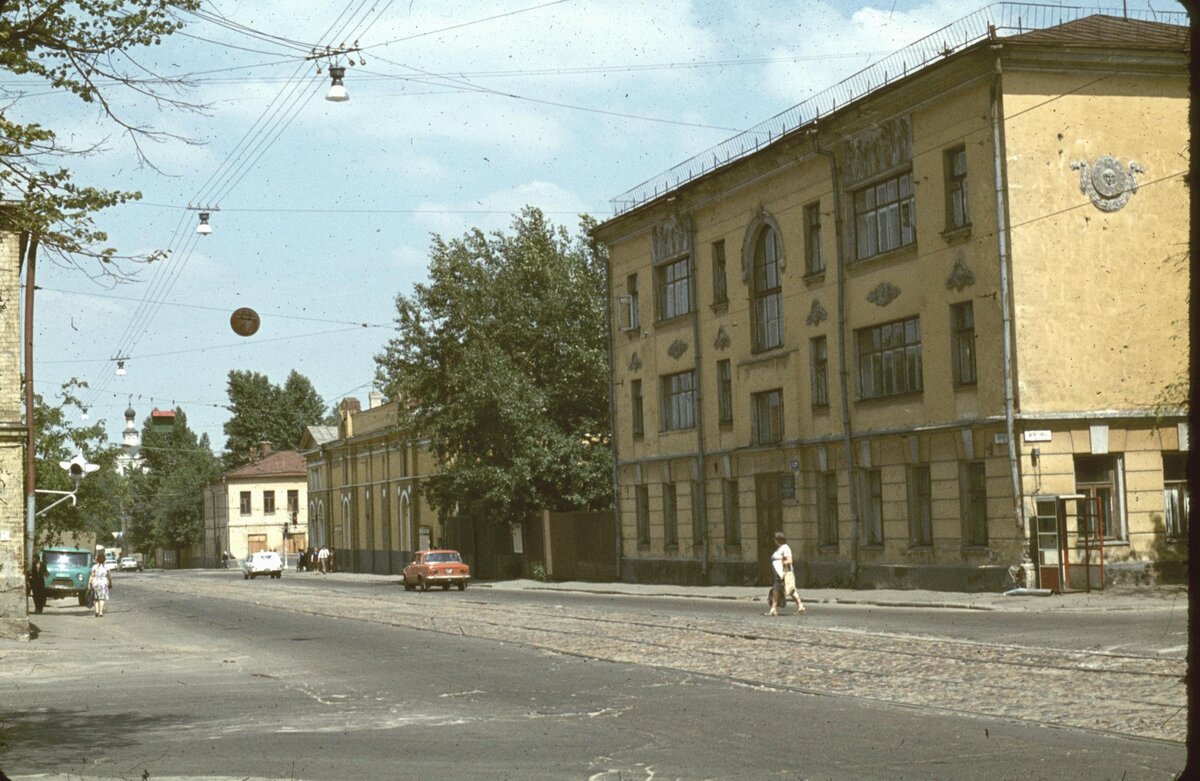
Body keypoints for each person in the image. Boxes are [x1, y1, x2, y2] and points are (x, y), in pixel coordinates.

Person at [766, 531, 806, 617]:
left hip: (784, 573)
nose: (774, 541)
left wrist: (781, 562)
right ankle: (800, 606)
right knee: (786, 590)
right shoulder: (780, 548)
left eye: (775, 539)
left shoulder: (785, 548)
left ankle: (773, 609)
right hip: (779, 573)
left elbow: (789, 560)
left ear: (779, 540)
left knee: (780, 590)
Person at [88, 553, 111, 618]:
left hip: (96, 583)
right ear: (104, 560)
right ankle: (101, 612)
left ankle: (97, 611)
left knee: (95, 598)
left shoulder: (94, 566)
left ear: (97, 559)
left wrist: (89, 583)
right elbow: (109, 576)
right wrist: (110, 583)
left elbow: (92, 576)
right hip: (103, 583)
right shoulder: (106, 567)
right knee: (102, 599)